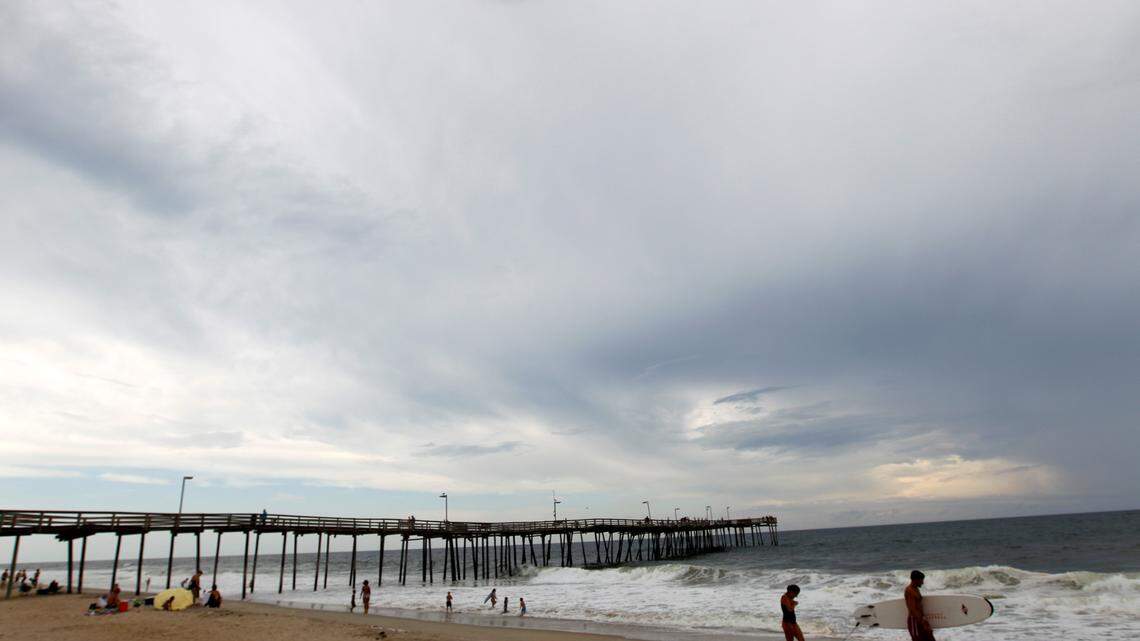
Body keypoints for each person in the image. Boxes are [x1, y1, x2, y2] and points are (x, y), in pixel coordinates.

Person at [905, 570, 935, 641]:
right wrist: (922, 622)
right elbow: (912, 609)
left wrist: (924, 619)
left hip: (921, 619)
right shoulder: (909, 591)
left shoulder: (916, 589)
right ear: (916, 580)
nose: (922, 582)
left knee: (930, 637)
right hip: (915, 621)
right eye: (921, 580)